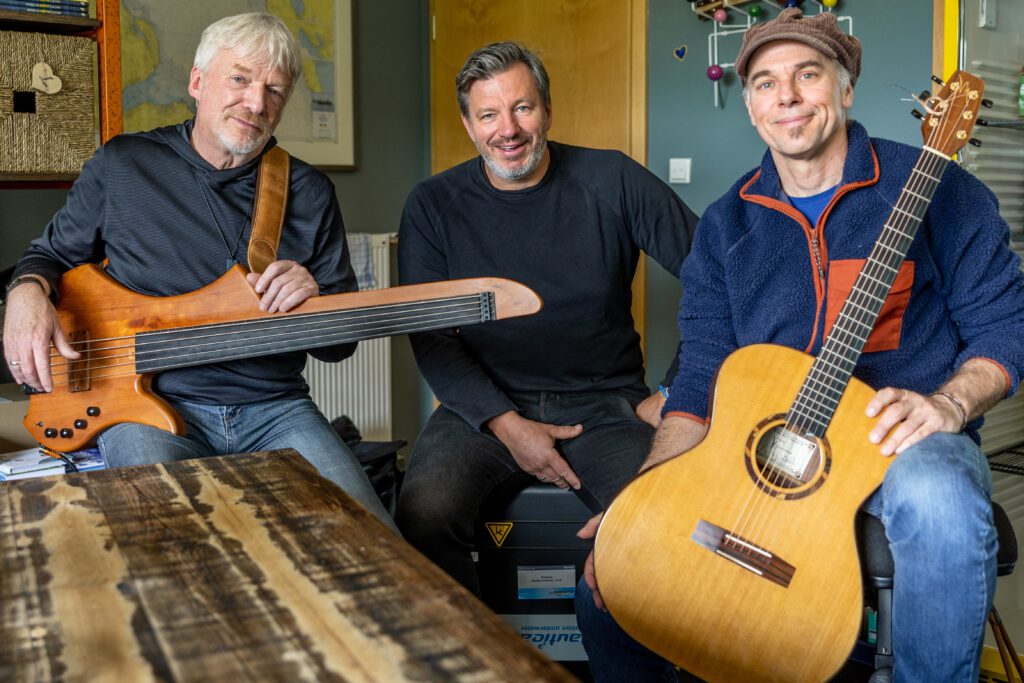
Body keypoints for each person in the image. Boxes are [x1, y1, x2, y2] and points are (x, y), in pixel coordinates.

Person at [575, 8, 1024, 682]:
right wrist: (641, 499)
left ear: (845, 88)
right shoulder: (727, 224)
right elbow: (698, 376)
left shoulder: (941, 188)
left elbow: (1003, 326)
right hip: (755, 443)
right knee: (609, 579)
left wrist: (951, 404)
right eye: (763, 83)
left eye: (807, 75)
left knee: (941, 502)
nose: (785, 97)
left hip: (898, 442)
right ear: (751, 106)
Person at [2, 12, 397, 531]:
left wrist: (315, 294)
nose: (257, 103)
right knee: (171, 547)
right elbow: (48, 254)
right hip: (145, 408)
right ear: (196, 82)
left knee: (375, 540)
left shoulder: (309, 192)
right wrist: (26, 294)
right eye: (240, 78)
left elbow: (338, 344)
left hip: (273, 409)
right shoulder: (123, 164)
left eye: (275, 90)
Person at [395, 41, 699, 595]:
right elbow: (432, 336)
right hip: (481, 409)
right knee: (422, 516)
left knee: (656, 522)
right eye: (488, 114)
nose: (507, 129)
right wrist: (507, 426)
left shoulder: (613, 180)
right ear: (469, 124)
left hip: (606, 404)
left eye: (523, 108)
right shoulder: (432, 204)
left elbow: (717, 279)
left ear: (548, 112)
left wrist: (676, 389)